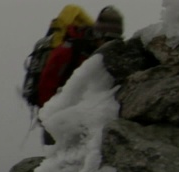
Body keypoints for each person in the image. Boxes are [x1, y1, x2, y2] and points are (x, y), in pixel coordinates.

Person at [37, 5, 124, 144]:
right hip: (57, 116)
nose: (110, 44)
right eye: (107, 39)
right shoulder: (69, 51)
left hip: (88, 114)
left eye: (115, 40)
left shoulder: (109, 54)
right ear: (98, 34)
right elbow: (46, 85)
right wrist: (50, 115)